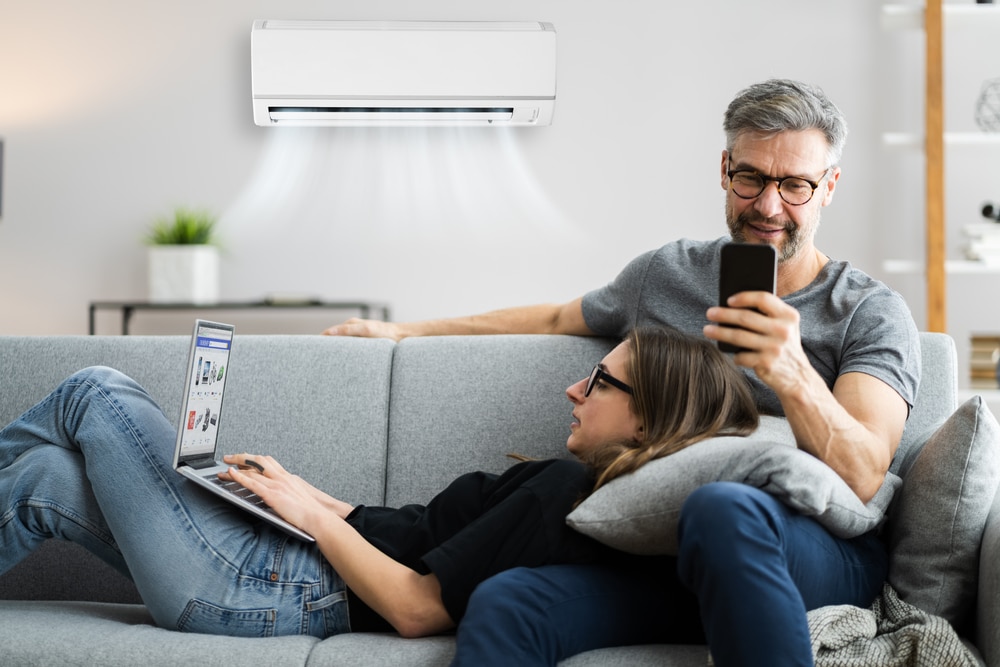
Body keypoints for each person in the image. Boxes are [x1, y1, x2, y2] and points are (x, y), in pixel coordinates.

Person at [324, 79, 922, 666]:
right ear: (724, 169)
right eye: (751, 178)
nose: (769, 206)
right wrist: (402, 332)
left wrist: (791, 373)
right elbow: (560, 315)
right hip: (661, 557)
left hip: (808, 552)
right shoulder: (666, 275)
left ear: (829, 187)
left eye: (795, 185)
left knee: (722, 510)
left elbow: (864, 473)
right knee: (510, 600)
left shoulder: (868, 313)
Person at [0, 325, 756, 640]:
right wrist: (308, 493)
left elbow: (417, 605)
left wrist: (310, 517)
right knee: (44, 478)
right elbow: (415, 532)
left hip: (268, 588)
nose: (573, 388)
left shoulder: (565, 491)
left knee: (96, 388)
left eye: (599, 380)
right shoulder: (570, 485)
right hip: (277, 562)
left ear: (648, 420)